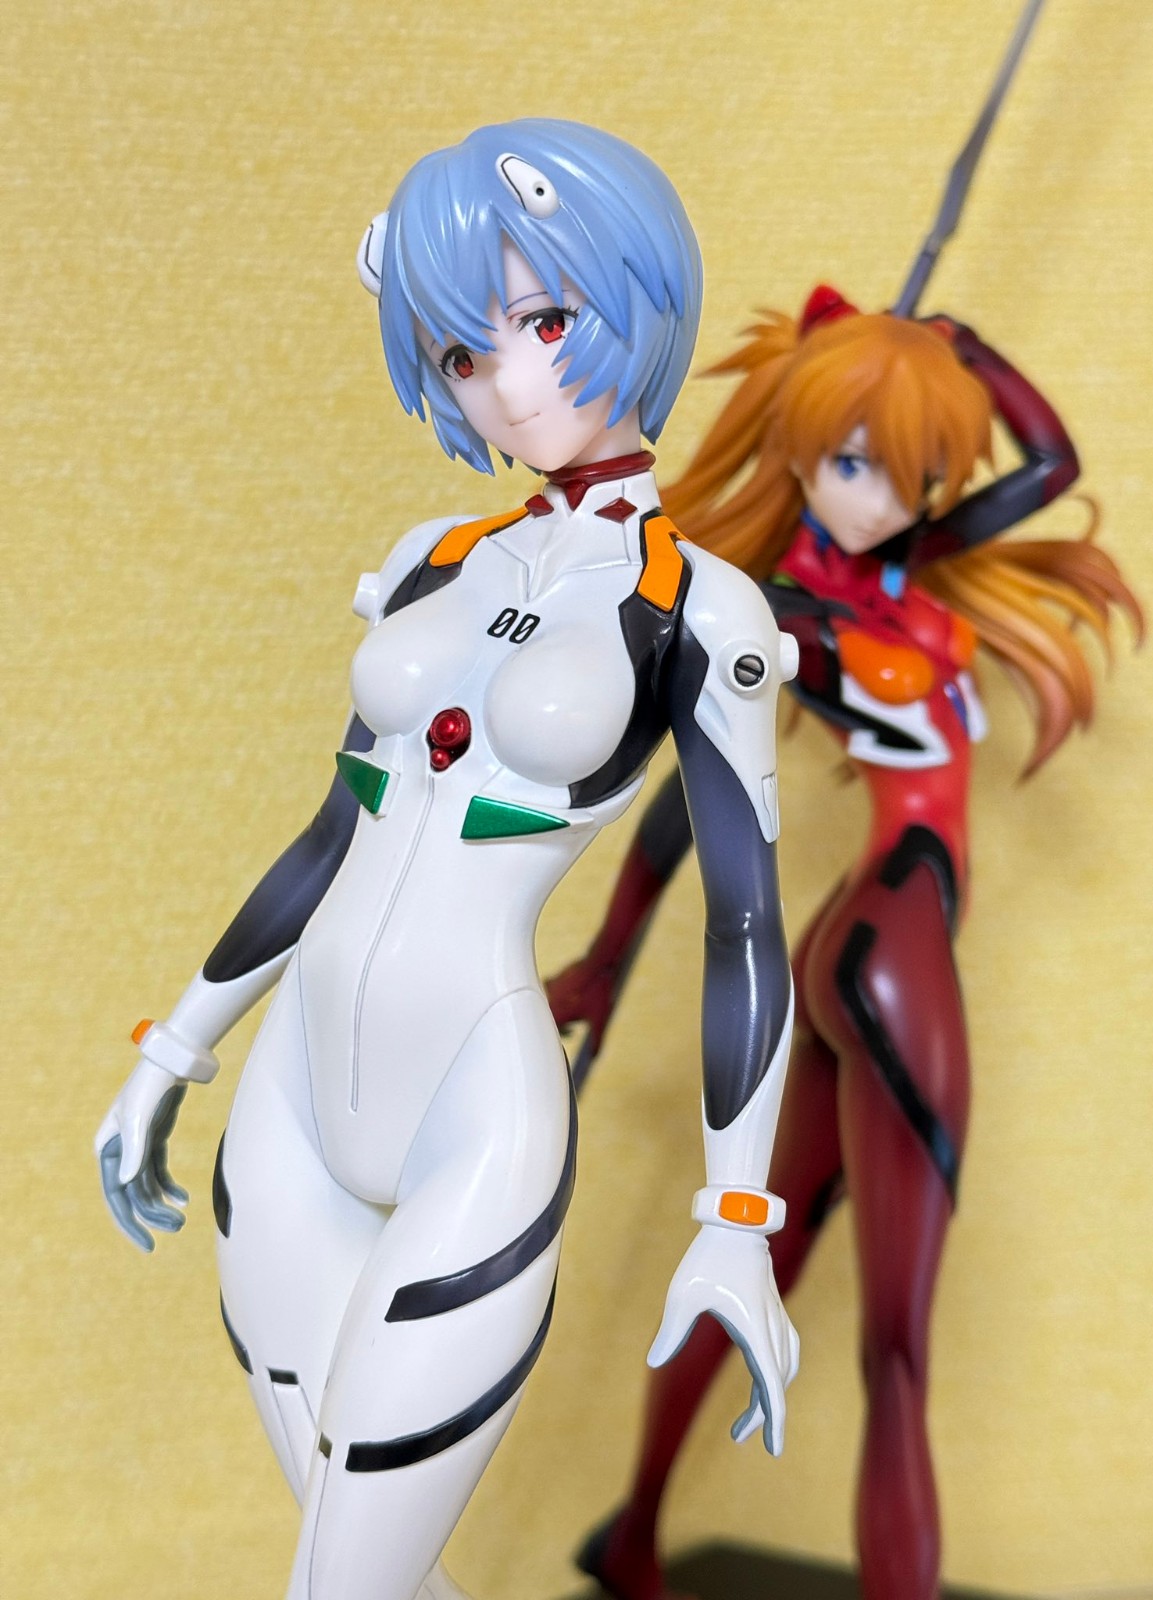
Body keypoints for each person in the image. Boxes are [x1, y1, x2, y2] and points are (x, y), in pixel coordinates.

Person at [94, 120, 801, 1600]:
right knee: (365, 1570)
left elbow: (745, 924)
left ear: (637, 296)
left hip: (475, 1107)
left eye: (547, 322)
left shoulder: (701, 610)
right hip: (294, 1095)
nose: (511, 384)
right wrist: (175, 1048)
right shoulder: (434, 560)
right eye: (464, 353)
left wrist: (737, 1219)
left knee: (340, 1584)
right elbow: (332, 834)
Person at [551, 286, 1142, 1600]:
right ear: (800, 451)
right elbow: (691, 796)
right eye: (855, 463)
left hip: (857, 945)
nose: (886, 500)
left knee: (766, 1264)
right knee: (898, 1353)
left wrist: (970, 350)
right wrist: (605, 959)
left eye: (917, 472)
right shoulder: (779, 618)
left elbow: (1051, 466)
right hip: (892, 940)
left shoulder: (907, 570)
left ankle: (634, 1537)